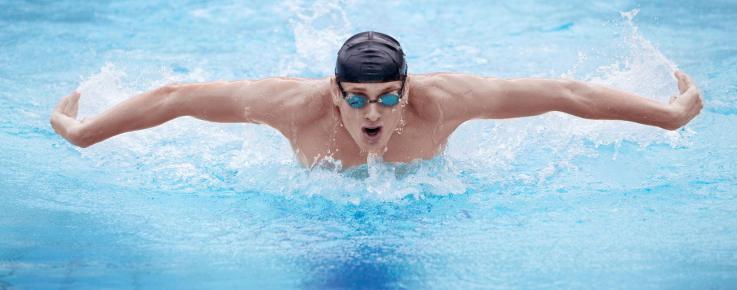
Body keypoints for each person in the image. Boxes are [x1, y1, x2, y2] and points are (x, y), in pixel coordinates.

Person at [50, 31, 703, 169]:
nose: (371, 114)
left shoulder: (445, 101)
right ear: (333, 94)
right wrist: (83, 132)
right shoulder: (290, 105)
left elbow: (565, 94)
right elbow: (175, 99)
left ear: (409, 90)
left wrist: (669, 117)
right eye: (356, 99)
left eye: (387, 99)